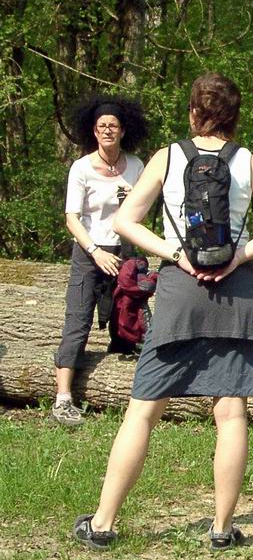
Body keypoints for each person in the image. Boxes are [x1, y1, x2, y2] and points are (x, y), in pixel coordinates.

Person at [72, 73, 253, 551]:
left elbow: (124, 221)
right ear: (234, 116)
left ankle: (103, 524)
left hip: (180, 289)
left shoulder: (168, 157)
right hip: (236, 291)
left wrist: (175, 255)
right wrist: (239, 256)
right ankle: (221, 529)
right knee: (231, 412)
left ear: (194, 112)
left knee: (143, 410)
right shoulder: (248, 161)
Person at [52, 95, 148, 426]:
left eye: (113, 126)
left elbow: (142, 211)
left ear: (124, 131)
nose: (107, 130)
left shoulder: (136, 166)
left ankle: (125, 395)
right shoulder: (81, 168)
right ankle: (62, 399)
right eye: (102, 126)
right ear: (93, 131)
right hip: (89, 252)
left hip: (125, 250)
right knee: (77, 321)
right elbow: (72, 218)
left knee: (128, 320)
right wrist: (95, 251)